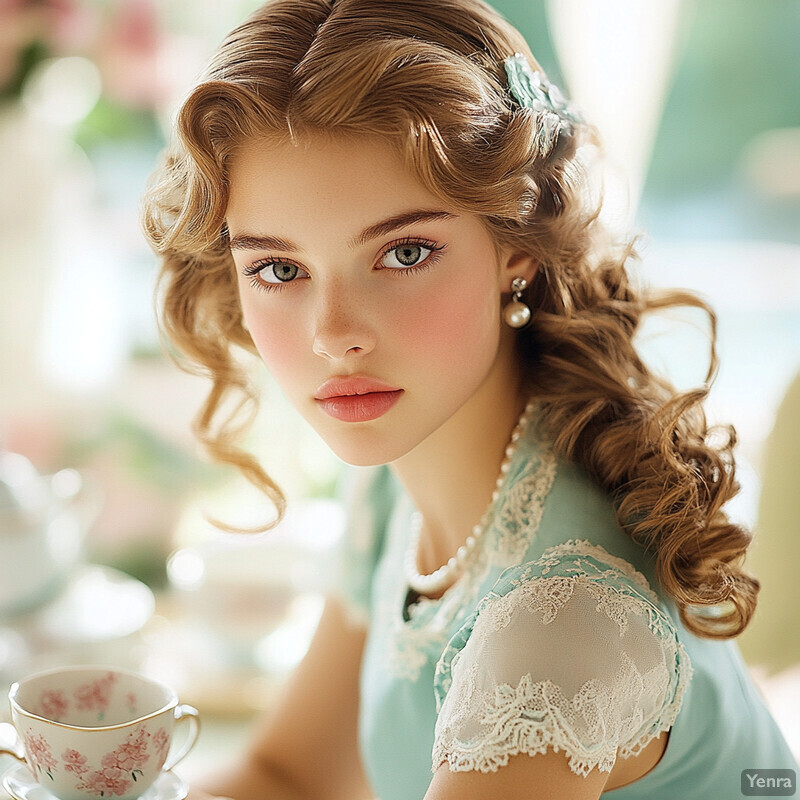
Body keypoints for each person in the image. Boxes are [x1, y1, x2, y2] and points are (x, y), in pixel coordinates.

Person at [142, 0, 799, 797]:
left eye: (404, 252)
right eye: (279, 269)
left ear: (516, 246)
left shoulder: (559, 627)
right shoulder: (402, 469)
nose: (334, 337)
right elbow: (292, 774)